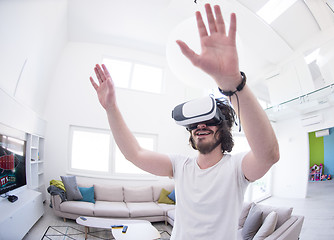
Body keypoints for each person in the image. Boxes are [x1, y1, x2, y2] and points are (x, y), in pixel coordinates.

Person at [90, 4, 279, 240]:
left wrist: (233, 84)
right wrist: (111, 108)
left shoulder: (236, 169)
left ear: (223, 128)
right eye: (194, 124)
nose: (200, 126)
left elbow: (268, 154)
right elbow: (134, 153)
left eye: (208, 121)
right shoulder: (181, 166)